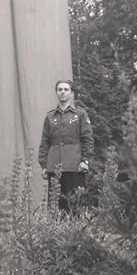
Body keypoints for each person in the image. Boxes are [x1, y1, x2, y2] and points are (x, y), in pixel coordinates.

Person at [38, 79, 94, 213]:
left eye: (66, 89)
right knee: (55, 205)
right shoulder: (50, 116)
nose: (63, 92)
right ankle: (55, 233)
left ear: (72, 93)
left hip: (75, 166)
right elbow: (45, 142)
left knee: (75, 203)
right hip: (54, 166)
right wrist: (44, 165)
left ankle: (75, 233)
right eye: (60, 90)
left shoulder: (80, 114)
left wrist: (85, 161)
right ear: (56, 93)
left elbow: (88, 139)